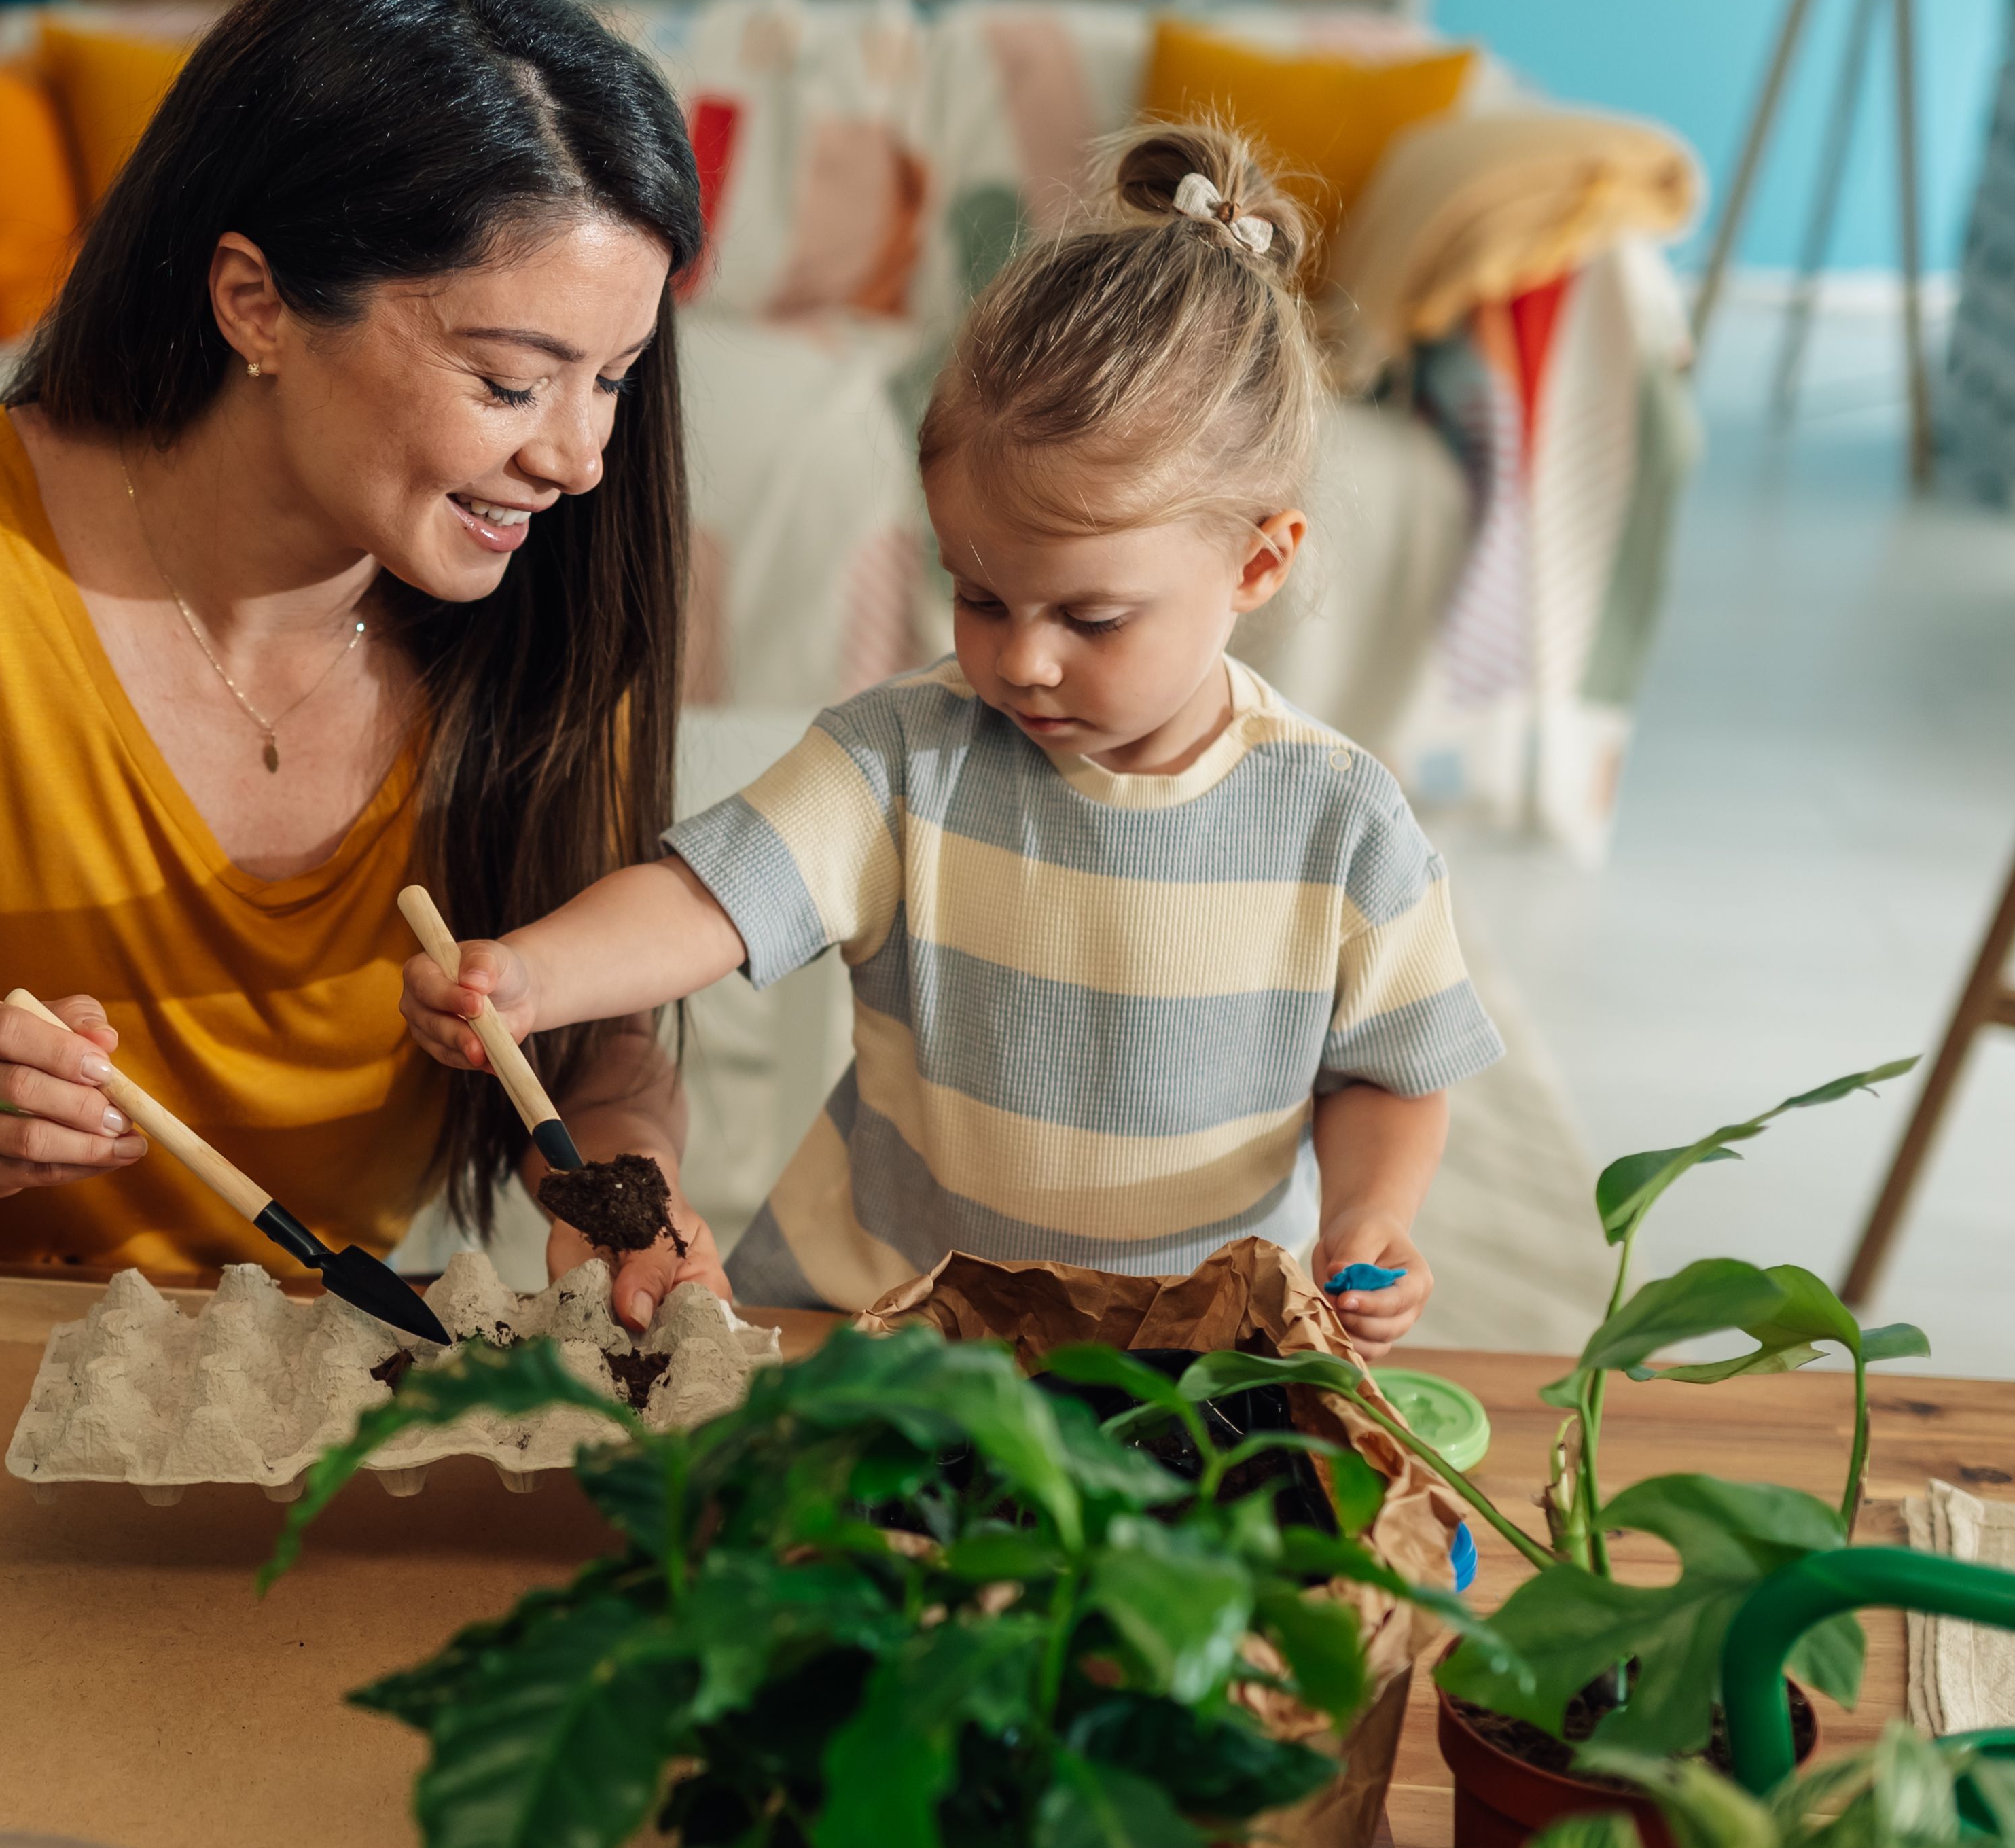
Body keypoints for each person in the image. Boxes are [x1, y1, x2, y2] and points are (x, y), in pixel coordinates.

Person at [0, 0, 730, 1331]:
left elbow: (598, 1045)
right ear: (254, 302)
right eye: (511, 384)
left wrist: (626, 1182)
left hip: (328, 1379)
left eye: (616, 381)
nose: (576, 460)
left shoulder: (545, 606)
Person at [403, 125, 1500, 1357]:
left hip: (1187, 1362)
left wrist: (1369, 1216)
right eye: (979, 597)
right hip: (877, 1326)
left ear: (1258, 559)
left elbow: (1388, 1069)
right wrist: (536, 975)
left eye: (1090, 617)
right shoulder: (903, 759)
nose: (1022, 660)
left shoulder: (1342, 822)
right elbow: (708, 898)